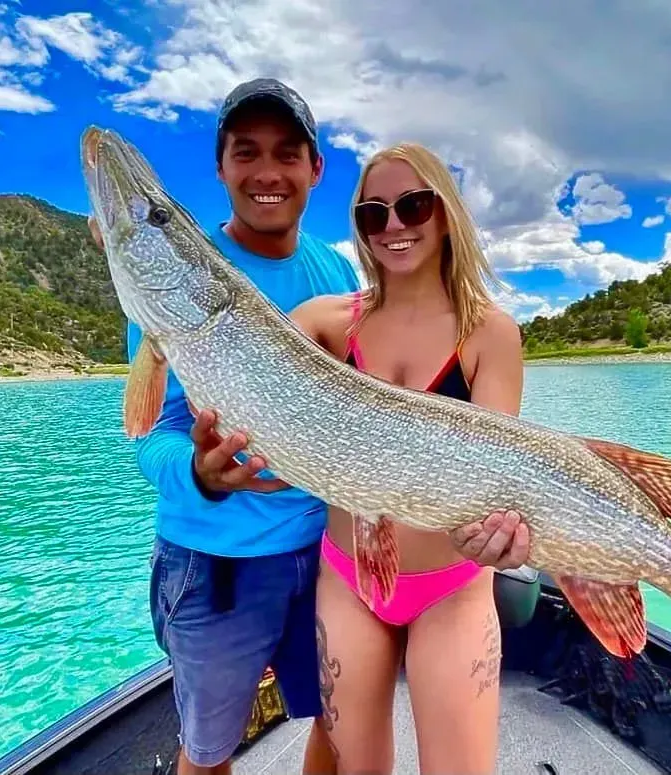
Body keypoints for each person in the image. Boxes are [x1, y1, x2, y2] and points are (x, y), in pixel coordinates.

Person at [88, 78, 530, 775]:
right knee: (208, 747)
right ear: (222, 165)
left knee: (330, 728)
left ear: (314, 170)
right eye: (246, 152)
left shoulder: (334, 277)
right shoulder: (169, 307)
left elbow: (386, 413)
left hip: (320, 558)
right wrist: (201, 474)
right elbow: (151, 433)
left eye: (287, 153)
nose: (267, 172)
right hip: (219, 563)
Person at [285, 141, 528, 774]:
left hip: (451, 587)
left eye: (413, 206)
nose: (394, 226)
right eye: (373, 214)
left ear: (444, 213)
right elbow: (239, 363)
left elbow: (497, 475)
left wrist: (504, 532)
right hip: (347, 580)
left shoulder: (489, 333)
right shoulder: (323, 323)